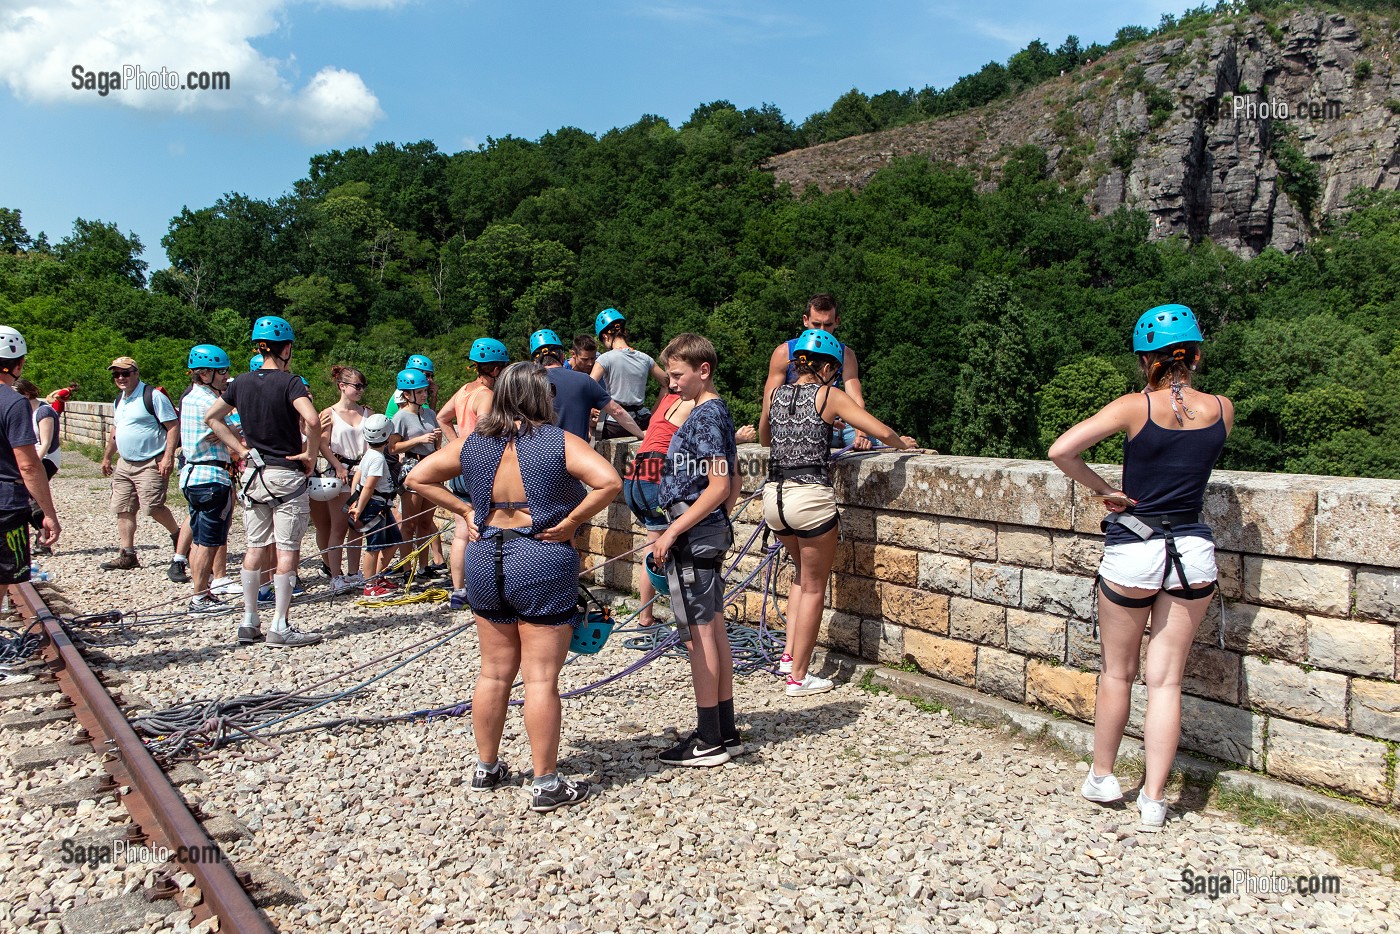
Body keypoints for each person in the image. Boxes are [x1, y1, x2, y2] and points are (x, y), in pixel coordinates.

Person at [1048, 304, 1232, 832]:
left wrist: (1106, 491)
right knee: (1166, 680)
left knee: (1117, 672)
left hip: (1136, 547)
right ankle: (1154, 799)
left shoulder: (1135, 407)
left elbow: (1062, 450)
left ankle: (1103, 777)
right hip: (1192, 550)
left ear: (1144, 360)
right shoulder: (1222, 407)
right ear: (1195, 355)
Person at [405, 362, 622, 812]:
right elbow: (610, 481)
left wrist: (465, 512)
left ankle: (486, 767)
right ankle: (545, 782)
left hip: (487, 558)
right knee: (541, 678)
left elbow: (417, 477)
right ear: (540, 397)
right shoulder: (558, 441)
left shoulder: (474, 443)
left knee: (493, 672)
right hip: (540, 555)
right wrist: (572, 522)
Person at [759, 329, 920, 695]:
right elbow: (878, 429)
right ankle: (798, 678)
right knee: (815, 587)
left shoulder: (777, 393)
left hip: (774, 498)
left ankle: (787, 655)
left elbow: (766, 440)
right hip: (810, 498)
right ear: (829, 367)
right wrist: (904, 445)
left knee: (800, 577)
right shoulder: (829, 395)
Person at [650, 333, 742, 767]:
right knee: (715, 628)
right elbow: (732, 483)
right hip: (707, 528)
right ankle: (724, 730)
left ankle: (707, 740)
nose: (672, 385)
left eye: (677, 376)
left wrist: (672, 532)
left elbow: (720, 486)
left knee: (699, 635)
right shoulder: (719, 414)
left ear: (702, 372)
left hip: (693, 531)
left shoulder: (704, 417)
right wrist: (715, 520)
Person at [205, 316, 323, 648]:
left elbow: (211, 417)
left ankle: (248, 620)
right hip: (285, 473)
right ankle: (280, 625)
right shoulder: (290, 382)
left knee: (255, 547)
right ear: (285, 348)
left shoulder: (240, 382)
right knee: (287, 550)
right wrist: (309, 455)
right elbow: (312, 419)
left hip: (252, 474)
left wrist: (240, 448)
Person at [438, 338, 509, 609]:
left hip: (459, 468)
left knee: (460, 533)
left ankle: (458, 591)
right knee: (484, 530)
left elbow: (443, 417)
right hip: (479, 470)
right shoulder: (487, 397)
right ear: (494, 369)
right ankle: (484, 588)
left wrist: (456, 443)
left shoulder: (464, 391)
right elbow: (486, 433)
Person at [99, 356, 182, 574]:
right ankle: (127, 554)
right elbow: (116, 431)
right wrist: (108, 456)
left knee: (153, 507)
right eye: (116, 374)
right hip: (125, 463)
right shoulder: (120, 399)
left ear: (136, 373)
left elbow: (173, 426)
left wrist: (168, 456)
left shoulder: (152, 396)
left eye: (125, 373)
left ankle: (179, 536)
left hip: (150, 461)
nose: (120, 378)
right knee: (123, 508)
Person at [761, 293, 871, 450]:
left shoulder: (845, 354)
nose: (822, 331)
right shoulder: (784, 352)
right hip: (799, 425)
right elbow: (770, 403)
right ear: (805, 320)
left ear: (837, 322)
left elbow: (855, 397)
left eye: (827, 325)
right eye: (816, 324)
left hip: (842, 424)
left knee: (887, 445)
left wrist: (861, 433)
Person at [178, 345, 237, 616]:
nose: (226, 376)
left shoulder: (192, 398)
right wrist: (231, 431)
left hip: (194, 475)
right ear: (204, 374)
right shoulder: (206, 403)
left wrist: (228, 428)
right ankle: (200, 597)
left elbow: (230, 426)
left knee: (201, 537)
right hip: (211, 476)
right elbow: (235, 426)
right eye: (221, 371)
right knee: (209, 541)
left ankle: (202, 592)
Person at [0, 328, 59, 596]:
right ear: (19, 364)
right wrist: (48, 514)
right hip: (5, 503)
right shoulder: (13, 403)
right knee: (2, 575)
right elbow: (27, 465)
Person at [528, 329, 644, 442]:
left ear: (535, 362)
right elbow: (617, 411)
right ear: (562, 356)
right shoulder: (584, 380)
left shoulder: (527, 386)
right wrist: (640, 434)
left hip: (542, 456)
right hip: (577, 454)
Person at [319, 365, 370, 594]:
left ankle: (353, 573)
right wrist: (338, 465)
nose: (361, 390)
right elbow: (322, 443)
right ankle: (335, 575)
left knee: (356, 525)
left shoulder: (367, 412)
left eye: (362, 386)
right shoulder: (329, 413)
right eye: (357, 386)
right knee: (338, 526)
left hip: (361, 473)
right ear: (342, 386)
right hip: (339, 473)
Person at [389, 367, 443, 577]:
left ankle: (423, 565)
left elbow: (436, 445)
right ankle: (406, 567)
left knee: (425, 521)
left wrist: (436, 437)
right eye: (420, 392)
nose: (424, 394)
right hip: (413, 466)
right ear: (407, 394)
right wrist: (419, 440)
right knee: (409, 523)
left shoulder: (429, 413)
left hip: (431, 465)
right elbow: (393, 448)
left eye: (424, 391)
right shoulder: (400, 417)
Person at [589, 308, 667, 439]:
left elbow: (588, 387)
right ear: (624, 332)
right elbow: (668, 384)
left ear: (605, 336)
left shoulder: (605, 358)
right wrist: (653, 413)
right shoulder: (645, 358)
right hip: (643, 420)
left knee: (589, 430)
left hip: (615, 424)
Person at [347, 414, 403, 596]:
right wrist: (360, 507)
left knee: (394, 540)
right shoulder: (378, 459)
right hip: (374, 506)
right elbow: (369, 486)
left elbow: (358, 476)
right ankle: (369, 584)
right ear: (387, 436)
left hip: (378, 504)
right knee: (373, 546)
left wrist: (353, 498)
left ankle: (378, 576)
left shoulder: (369, 455)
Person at [385, 353, 437, 419]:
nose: (431, 380)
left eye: (432, 376)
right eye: (427, 375)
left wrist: (433, 397)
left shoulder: (418, 391)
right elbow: (420, 420)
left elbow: (429, 417)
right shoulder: (403, 392)